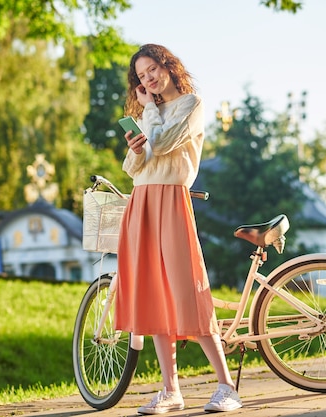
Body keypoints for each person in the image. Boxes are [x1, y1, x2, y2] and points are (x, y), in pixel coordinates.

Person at [114, 43, 243, 414]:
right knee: (154, 294)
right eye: (141, 76)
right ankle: (170, 389)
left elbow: (166, 142)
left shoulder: (191, 105)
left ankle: (226, 386)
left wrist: (148, 116)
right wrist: (137, 147)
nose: (148, 79)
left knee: (188, 291)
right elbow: (132, 166)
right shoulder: (147, 115)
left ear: (168, 66)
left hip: (171, 200)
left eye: (152, 69)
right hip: (141, 202)